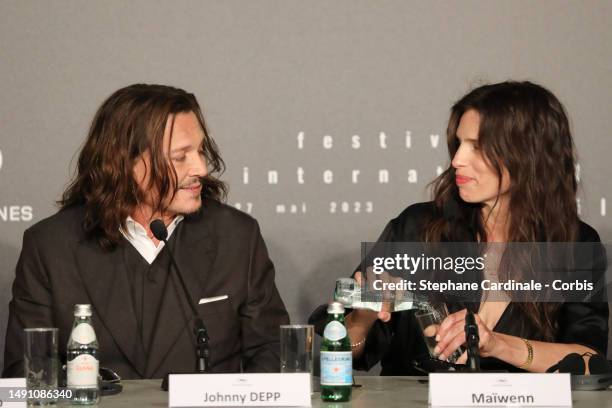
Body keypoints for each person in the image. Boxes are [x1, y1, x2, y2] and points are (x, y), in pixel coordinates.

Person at [310, 81, 608, 374]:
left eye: (477, 147)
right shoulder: (418, 229)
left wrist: (498, 344)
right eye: (459, 144)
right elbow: (346, 358)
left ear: (530, 155)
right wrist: (363, 318)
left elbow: (587, 361)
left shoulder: (575, 244)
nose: (456, 160)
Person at [3, 84, 289, 379]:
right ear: (125, 163)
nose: (201, 168)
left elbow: (272, 350)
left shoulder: (236, 236)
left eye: (201, 150)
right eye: (180, 157)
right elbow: (25, 374)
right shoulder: (51, 246)